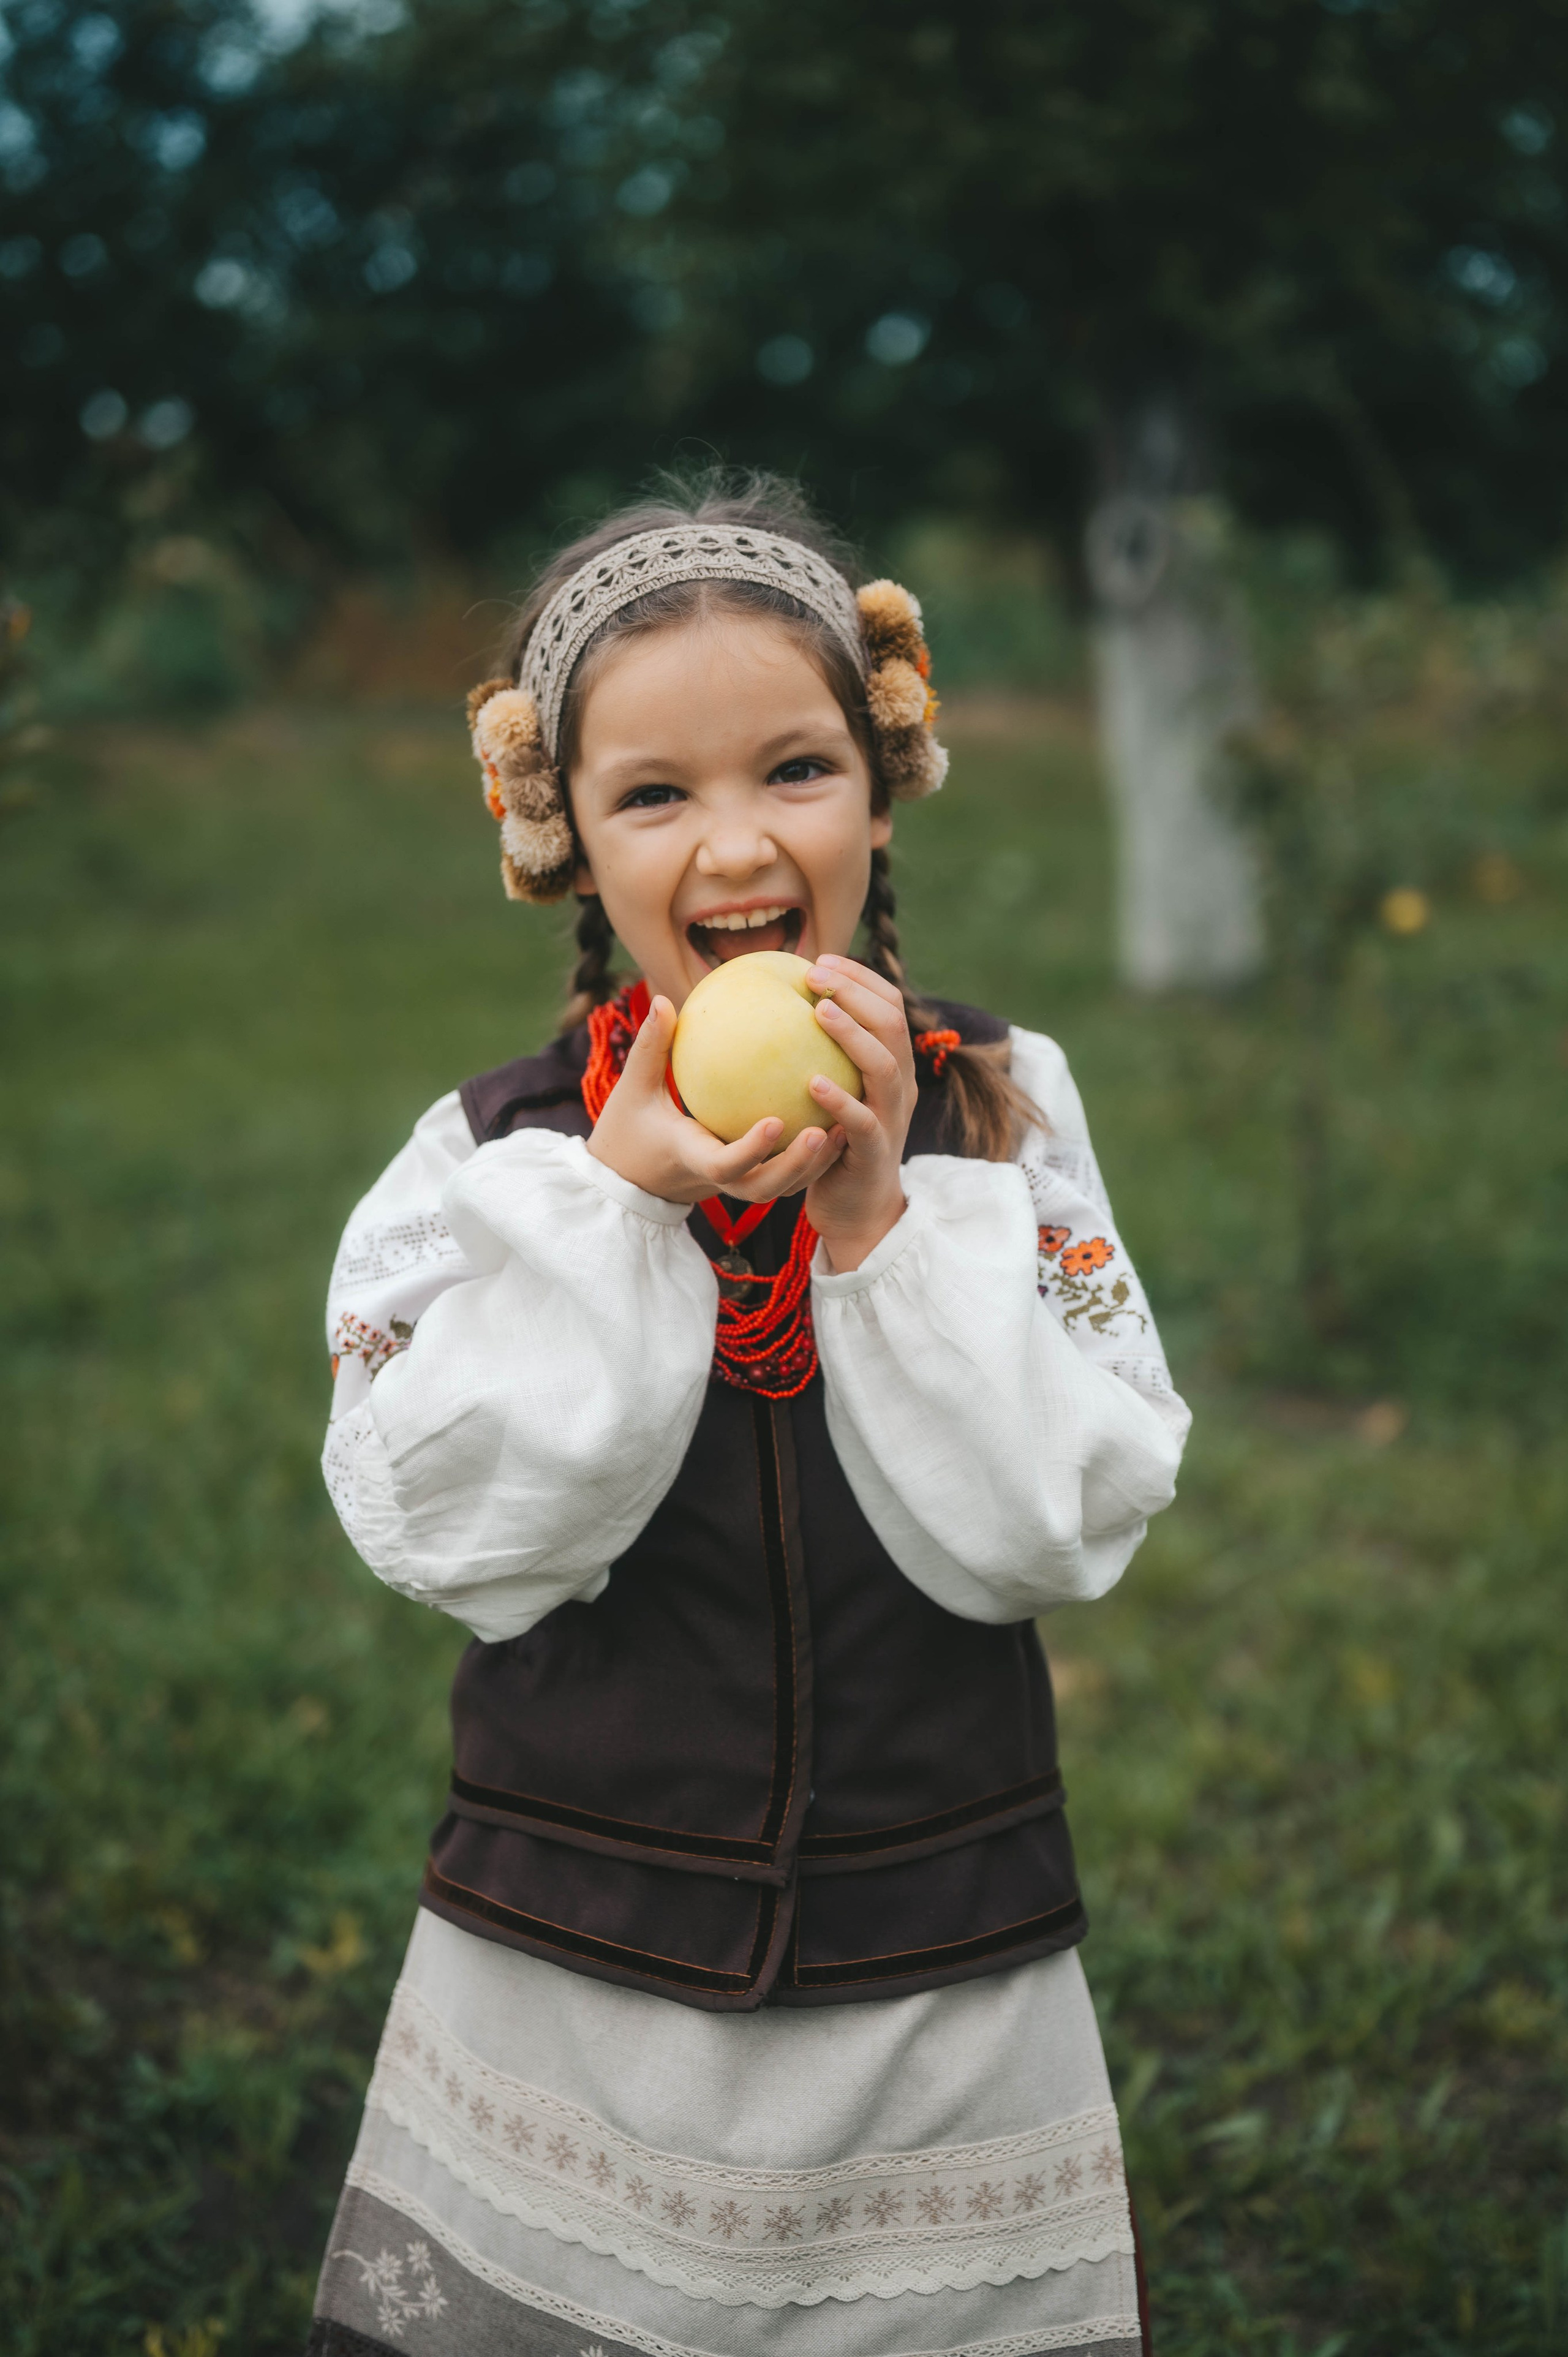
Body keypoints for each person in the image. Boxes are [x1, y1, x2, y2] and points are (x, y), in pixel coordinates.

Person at [307, 473, 1188, 2357]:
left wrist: (884, 1229)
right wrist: (612, 1215)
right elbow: (448, 1535)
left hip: (937, 1966)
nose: (736, 844)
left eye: (796, 769)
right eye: (654, 793)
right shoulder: (488, 1160)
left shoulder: (1003, 1112)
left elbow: (1061, 1523)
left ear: (884, 786)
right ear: (562, 836)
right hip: (576, 1959)